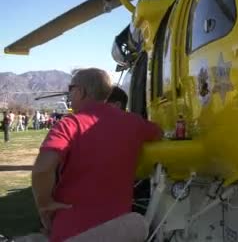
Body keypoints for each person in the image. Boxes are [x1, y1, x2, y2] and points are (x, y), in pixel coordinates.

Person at [31, 68, 163, 242]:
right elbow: (159, 133)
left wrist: (44, 204)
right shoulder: (134, 122)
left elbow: (42, 169)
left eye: (71, 89)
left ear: (81, 91)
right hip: (117, 229)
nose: (69, 95)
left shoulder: (69, 124)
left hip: (73, 230)